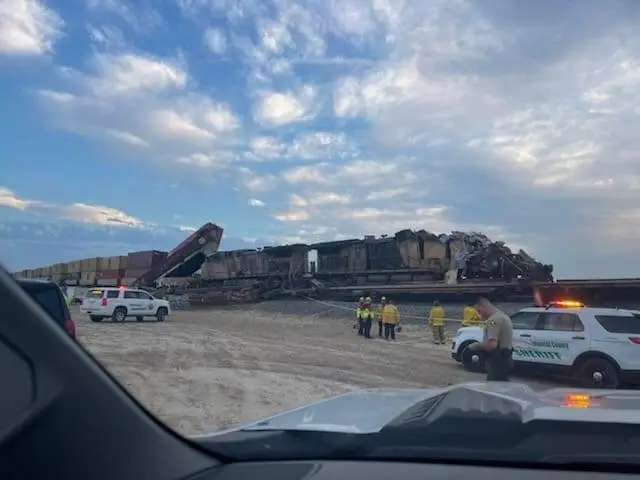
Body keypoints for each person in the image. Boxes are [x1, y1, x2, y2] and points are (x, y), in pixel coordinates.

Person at [468, 296, 514, 381]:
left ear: (483, 307)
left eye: (479, 311)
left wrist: (475, 346)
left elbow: (492, 345)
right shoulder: (503, 316)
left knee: (494, 386)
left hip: (497, 361)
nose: (479, 314)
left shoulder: (494, 320)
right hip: (505, 358)